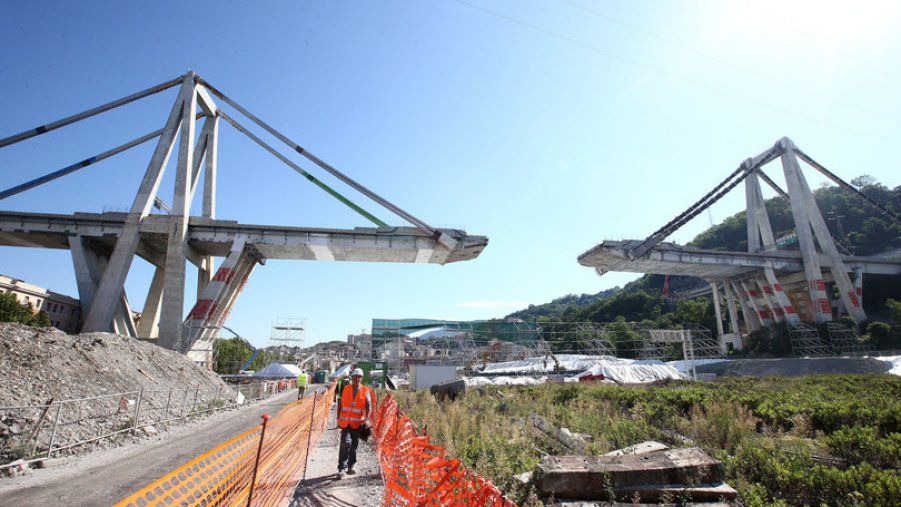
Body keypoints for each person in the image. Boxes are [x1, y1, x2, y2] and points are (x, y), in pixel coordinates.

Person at [335, 368, 371, 479]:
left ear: (361, 378)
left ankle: (351, 465)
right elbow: (340, 403)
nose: (357, 379)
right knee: (345, 443)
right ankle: (342, 468)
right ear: (352, 378)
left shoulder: (365, 391)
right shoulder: (346, 388)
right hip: (345, 422)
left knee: (354, 445)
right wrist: (338, 417)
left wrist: (367, 419)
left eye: (359, 377)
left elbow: (369, 406)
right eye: (355, 376)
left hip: (357, 423)